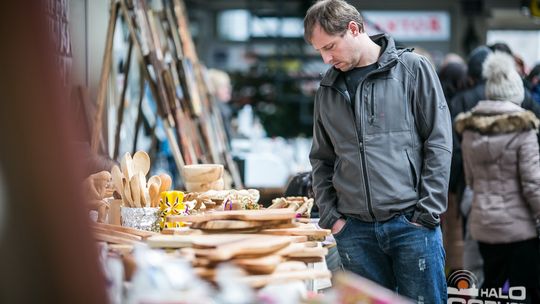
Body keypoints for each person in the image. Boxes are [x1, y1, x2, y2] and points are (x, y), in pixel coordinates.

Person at [304, 0, 452, 302]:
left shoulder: (412, 70)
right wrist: (333, 219)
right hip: (354, 232)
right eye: (320, 50)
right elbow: (321, 158)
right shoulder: (328, 89)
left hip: (412, 227)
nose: (326, 58)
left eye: (330, 46)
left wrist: (426, 213)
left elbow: (439, 142)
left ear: (354, 29)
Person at [455, 51, 540, 303]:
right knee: (526, 292)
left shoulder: (469, 131)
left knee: (491, 291)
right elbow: (533, 184)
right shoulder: (523, 130)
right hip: (520, 230)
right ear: (516, 94)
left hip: (483, 225)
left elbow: (470, 181)